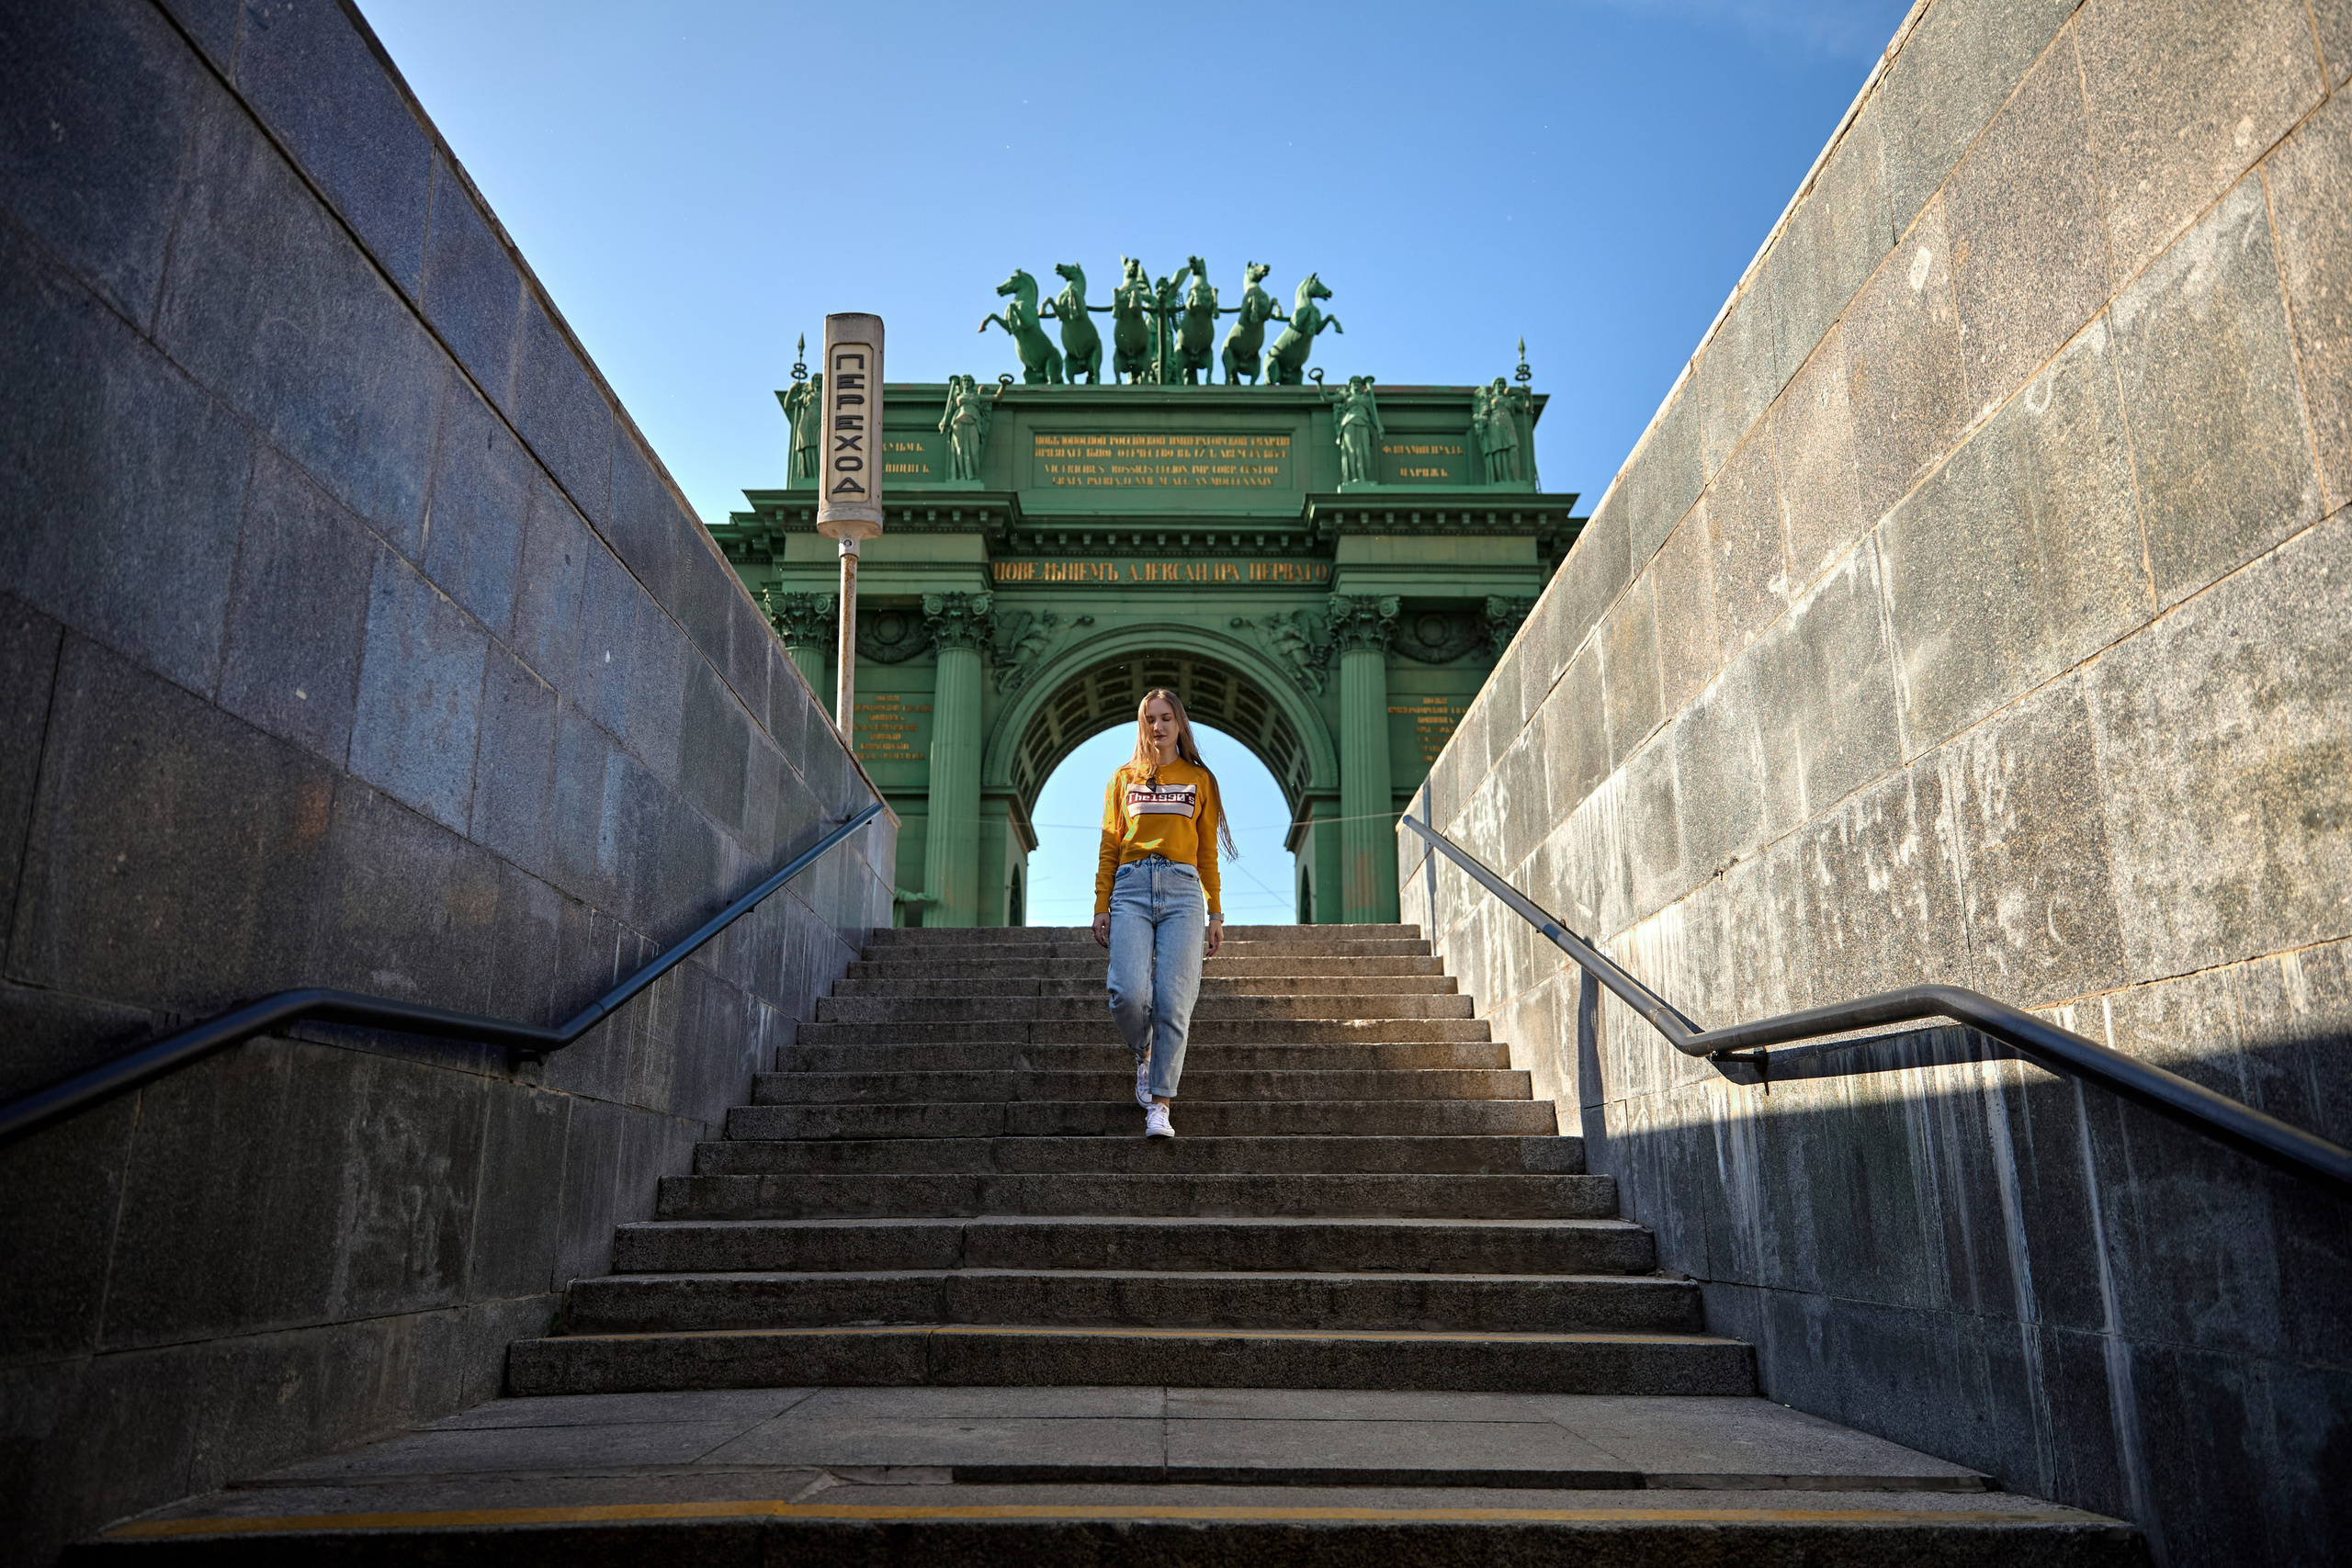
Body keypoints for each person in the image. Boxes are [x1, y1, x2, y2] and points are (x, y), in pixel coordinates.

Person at [1091, 690, 1233, 1137]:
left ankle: (1160, 1103)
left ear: (1180, 724)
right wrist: (1101, 904)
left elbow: (1207, 851)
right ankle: (1146, 1051)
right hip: (1130, 889)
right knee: (1127, 993)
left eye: (1166, 718)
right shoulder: (1123, 779)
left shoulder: (1199, 780)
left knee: (1174, 1003)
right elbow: (1109, 847)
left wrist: (1216, 912)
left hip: (1184, 892)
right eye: (1150, 719)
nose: (1158, 726)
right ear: (1142, 725)